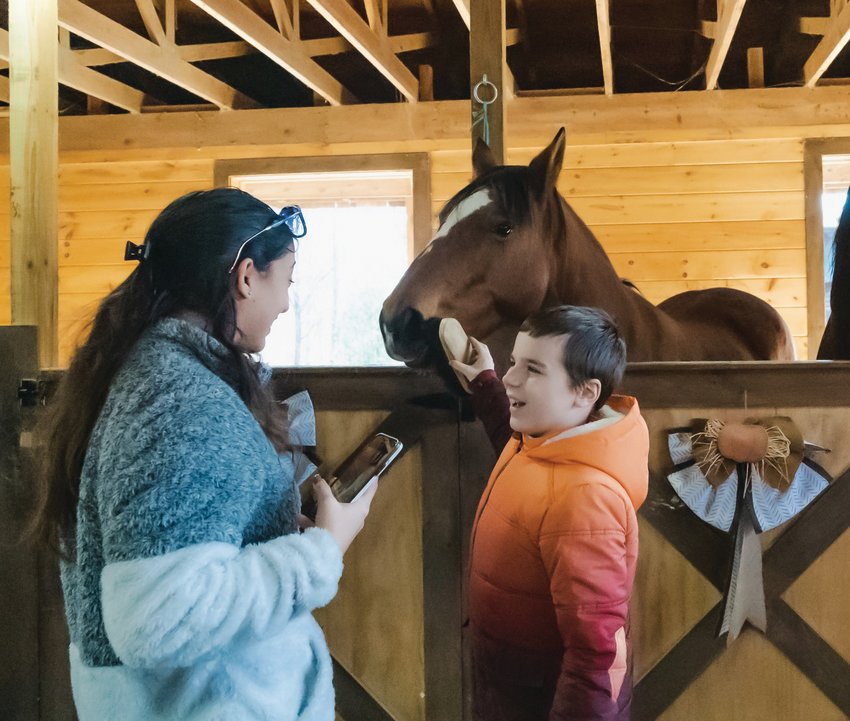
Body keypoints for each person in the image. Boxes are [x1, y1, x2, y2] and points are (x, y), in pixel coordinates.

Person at [29, 187, 377, 721]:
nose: (285, 303)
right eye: (285, 282)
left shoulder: (153, 375)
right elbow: (160, 619)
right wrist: (324, 550)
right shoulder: (183, 399)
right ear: (244, 276)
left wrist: (274, 531)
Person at [450, 305, 649, 721]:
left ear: (585, 392)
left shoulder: (586, 499)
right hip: (511, 689)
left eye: (534, 369)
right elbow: (510, 437)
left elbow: (594, 654)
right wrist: (486, 384)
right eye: (512, 362)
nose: (511, 378)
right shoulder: (541, 440)